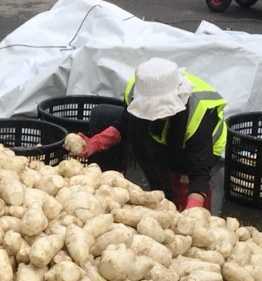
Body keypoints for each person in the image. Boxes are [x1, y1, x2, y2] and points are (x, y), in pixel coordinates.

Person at [65, 58, 226, 211]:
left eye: (160, 111)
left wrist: (194, 208)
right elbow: (126, 124)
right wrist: (96, 143)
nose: (155, 115)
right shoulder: (138, 88)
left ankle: (168, 203)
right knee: (104, 116)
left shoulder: (198, 112)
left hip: (202, 150)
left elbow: (199, 173)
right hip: (163, 137)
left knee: (150, 147)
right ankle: (113, 186)